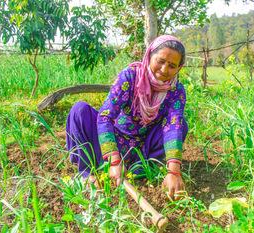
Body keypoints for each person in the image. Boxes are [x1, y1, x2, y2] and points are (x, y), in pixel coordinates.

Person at [66, 35, 188, 200]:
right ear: (149, 55)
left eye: (172, 65)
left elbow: (173, 126)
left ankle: (140, 170)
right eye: (160, 61)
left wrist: (174, 171)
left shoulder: (176, 91)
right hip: (112, 140)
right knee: (79, 110)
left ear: (179, 68)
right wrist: (114, 160)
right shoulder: (130, 77)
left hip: (142, 148)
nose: (164, 70)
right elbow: (105, 118)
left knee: (181, 125)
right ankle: (87, 173)